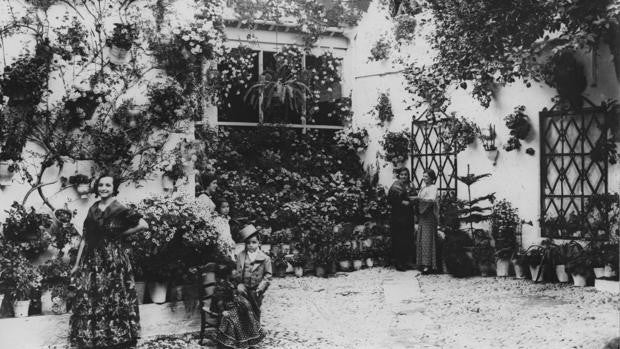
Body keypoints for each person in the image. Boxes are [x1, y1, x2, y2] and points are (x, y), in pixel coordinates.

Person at [69, 174, 149, 348]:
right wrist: (77, 264)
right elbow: (85, 238)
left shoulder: (120, 209)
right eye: (100, 185)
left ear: (114, 188)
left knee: (115, 296)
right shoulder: (93, 209)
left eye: (107, 185)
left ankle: (116, 338)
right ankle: (97, 337)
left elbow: (143, 224)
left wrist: (121, 234)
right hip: (93, 261)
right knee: (93, 296)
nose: (103, 188)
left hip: (114, 260)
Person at [210, 259, 265, 349]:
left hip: (237, 303)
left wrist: (240, 287)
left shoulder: (234, 280)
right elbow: (219, 299)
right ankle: (236, 342)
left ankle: (248, 340)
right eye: (234, 270)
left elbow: (240, 287)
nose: (236, 272)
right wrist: (223, 311)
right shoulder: (221, 284)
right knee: (236, 319)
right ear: (227, 272)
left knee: (248, 314)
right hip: (226, 306)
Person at [235, 224, 272, 317]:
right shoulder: (241, 256)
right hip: (244, 288)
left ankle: (256, 329)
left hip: (256, 289)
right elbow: (237, 272)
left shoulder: (265, 258)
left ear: (259, 243)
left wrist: (261, 287)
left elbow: (268, 275)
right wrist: (239, 284)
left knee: (256, 310)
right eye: (248, 243)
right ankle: (244, 329)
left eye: (254, 242)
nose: (251, 245)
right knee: (243, 310)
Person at [411, 169, 440, 274]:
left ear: (432, 178)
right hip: (422, 215)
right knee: (421, 238)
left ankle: (428, 265)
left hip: (428, 215)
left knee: (427, 239)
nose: (424, 178)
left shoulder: (433, 188)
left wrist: (420, 203)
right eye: (423, 176)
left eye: (426, 176)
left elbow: (431, 200)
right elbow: (420, 198)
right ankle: (422, 263)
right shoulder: (423, 187)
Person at [387, 167, 415, 271]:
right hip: (398, 216)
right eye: (402, 174)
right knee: (399, 239)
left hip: (408, 216)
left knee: (408, 238)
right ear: (399, 175)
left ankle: (407, 262)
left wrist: (412, 201)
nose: (404, 176)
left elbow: (414, 196)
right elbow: (390, 199)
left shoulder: (411, 185)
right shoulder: (395, 186)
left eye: (406, 174)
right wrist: (401, 202)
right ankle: (399, 263)